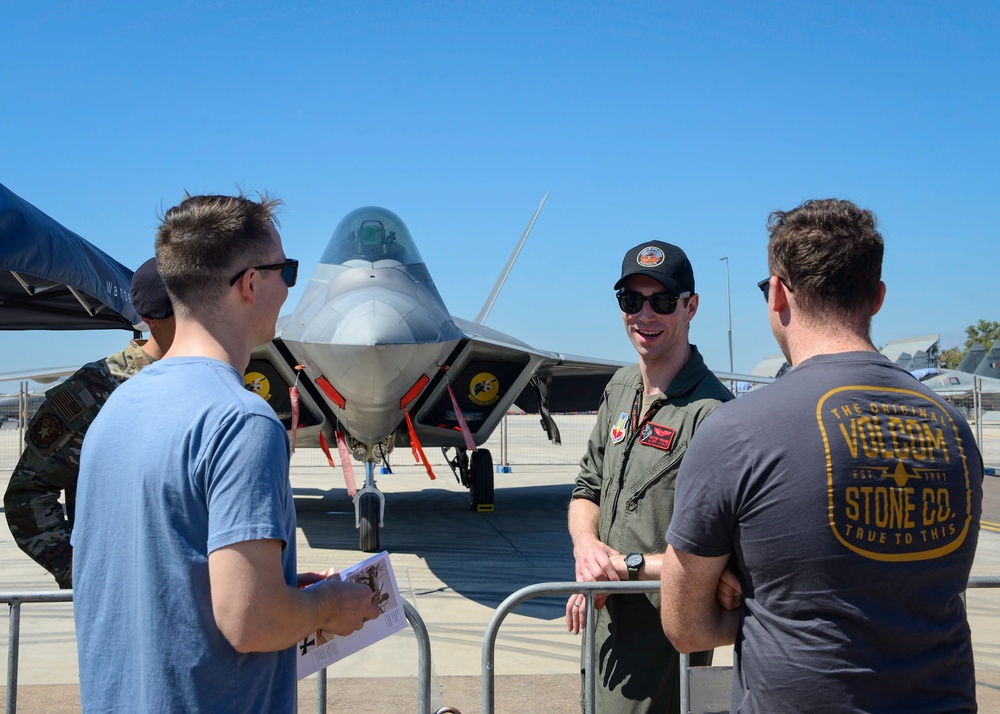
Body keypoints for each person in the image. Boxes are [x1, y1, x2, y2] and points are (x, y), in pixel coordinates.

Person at [661, 199, 983, 713]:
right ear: (876, 297)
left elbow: (684, 627)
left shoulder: (737, 430)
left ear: (778, 295)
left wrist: (755, 605)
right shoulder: (954, 427)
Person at [72, 193, 381, 712]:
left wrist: (286, 590)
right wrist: (329, 604)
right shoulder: (242, 422)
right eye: (287, 270)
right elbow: (249, 621)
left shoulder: (117, 408)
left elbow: (149, 574)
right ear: (250, 283)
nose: (289, 287)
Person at [565, 240, 735, 713]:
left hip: (666, 647)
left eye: (662, 302)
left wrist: (625, 568)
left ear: (690, 307)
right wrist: (587, 550)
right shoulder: (619, 389)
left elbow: (720, 561)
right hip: (602, 636)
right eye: (631, 301)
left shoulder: (713, 415)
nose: (645, 315)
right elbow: (587, 488)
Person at [4, 257, 176, 588]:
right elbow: (28, 494)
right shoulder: (100, 387)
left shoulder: (207, 380)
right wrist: (87, 575)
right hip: (128, 599)